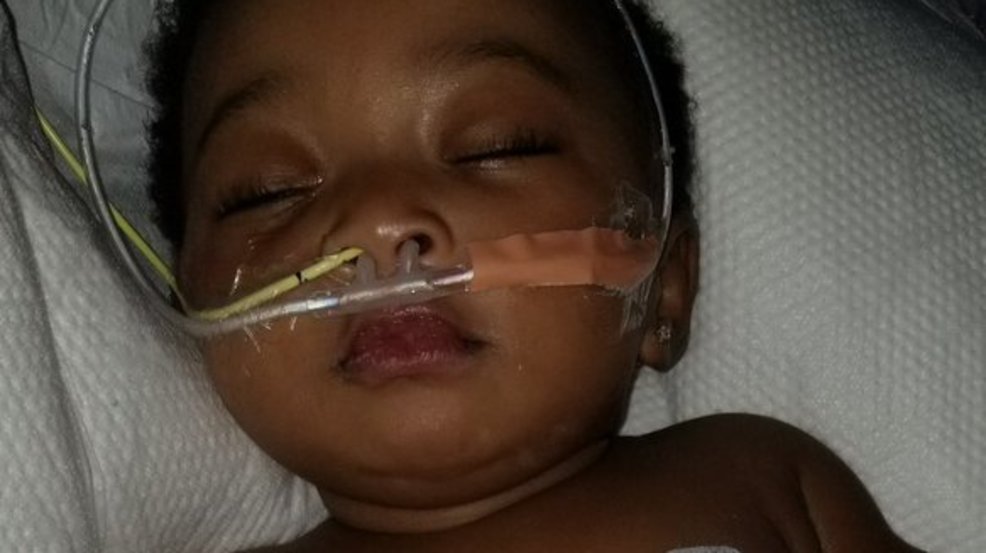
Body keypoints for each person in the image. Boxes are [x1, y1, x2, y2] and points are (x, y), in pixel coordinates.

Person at [144, 0, 923, 550]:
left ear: (663, 285)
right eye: (267, 192)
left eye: (499, 145)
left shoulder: (757, 479)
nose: (376, 223)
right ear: (190, 300)